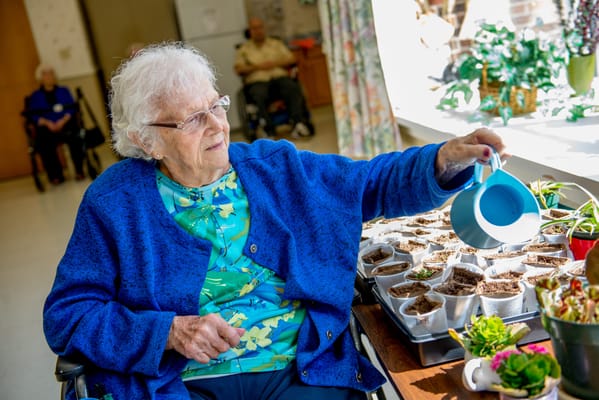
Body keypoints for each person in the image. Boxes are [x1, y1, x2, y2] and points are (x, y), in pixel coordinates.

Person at [43, 42, 507, 400]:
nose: (218, 126)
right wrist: (167, 332)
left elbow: (367, 183)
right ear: (145, 141)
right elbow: (68, 314)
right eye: (192, 120)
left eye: (216, 106)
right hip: (182, 381)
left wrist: (442, 160)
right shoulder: (114, 202)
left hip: (300, 366)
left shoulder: (276, 167)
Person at [234, 17, 314, 138]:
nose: (258, 31)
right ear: (249, 31)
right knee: (258, 94)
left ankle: (298, 123)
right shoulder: (243, 49)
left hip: (279, 78)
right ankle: (268, 128)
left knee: (292, 86)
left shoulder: (275, 43)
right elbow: (238, 69)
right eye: (254, 28)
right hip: (258, 82)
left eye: (260, 27)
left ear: (264, 28)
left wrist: (275, 64)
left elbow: (292, 59)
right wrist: (258, 67)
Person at [26, 64, 85, 183]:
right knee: (44, 142)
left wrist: (62, 121)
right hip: (47, 128)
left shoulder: (64, 91)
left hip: (65, 124)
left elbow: (72, 108)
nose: (49, 77)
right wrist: (47, 123)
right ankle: (56, 175)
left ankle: (79, 170)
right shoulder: (35, 96)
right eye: (45, 74)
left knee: (75, 137)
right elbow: (33, 115)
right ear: (40, 78)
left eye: (51, 73)